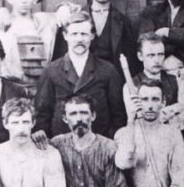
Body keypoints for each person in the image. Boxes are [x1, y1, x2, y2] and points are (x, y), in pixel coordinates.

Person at [34, 11, 126, 139]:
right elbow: (42, 114)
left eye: (84, 34)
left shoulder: (108, 70)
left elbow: (119, 114)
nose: (79, 39)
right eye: (74, 34)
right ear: (65, 36)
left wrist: (109, 142)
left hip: (98, 144)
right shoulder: (51, 71)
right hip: (61, 144)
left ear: (92, 36)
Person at [51, 0, 140, 81]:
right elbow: (62, 53)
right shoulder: (75, 17)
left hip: (111, 80)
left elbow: (131, 58)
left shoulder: (123, 21)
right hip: (80, 78)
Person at [124, 33, 184, 132]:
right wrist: (177, 108)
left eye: (160, 54)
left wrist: (165, 115)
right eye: (151, 55)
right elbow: (138, 121)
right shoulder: (131, 85)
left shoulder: (176, 80)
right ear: (140, 56)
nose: (157, 60)